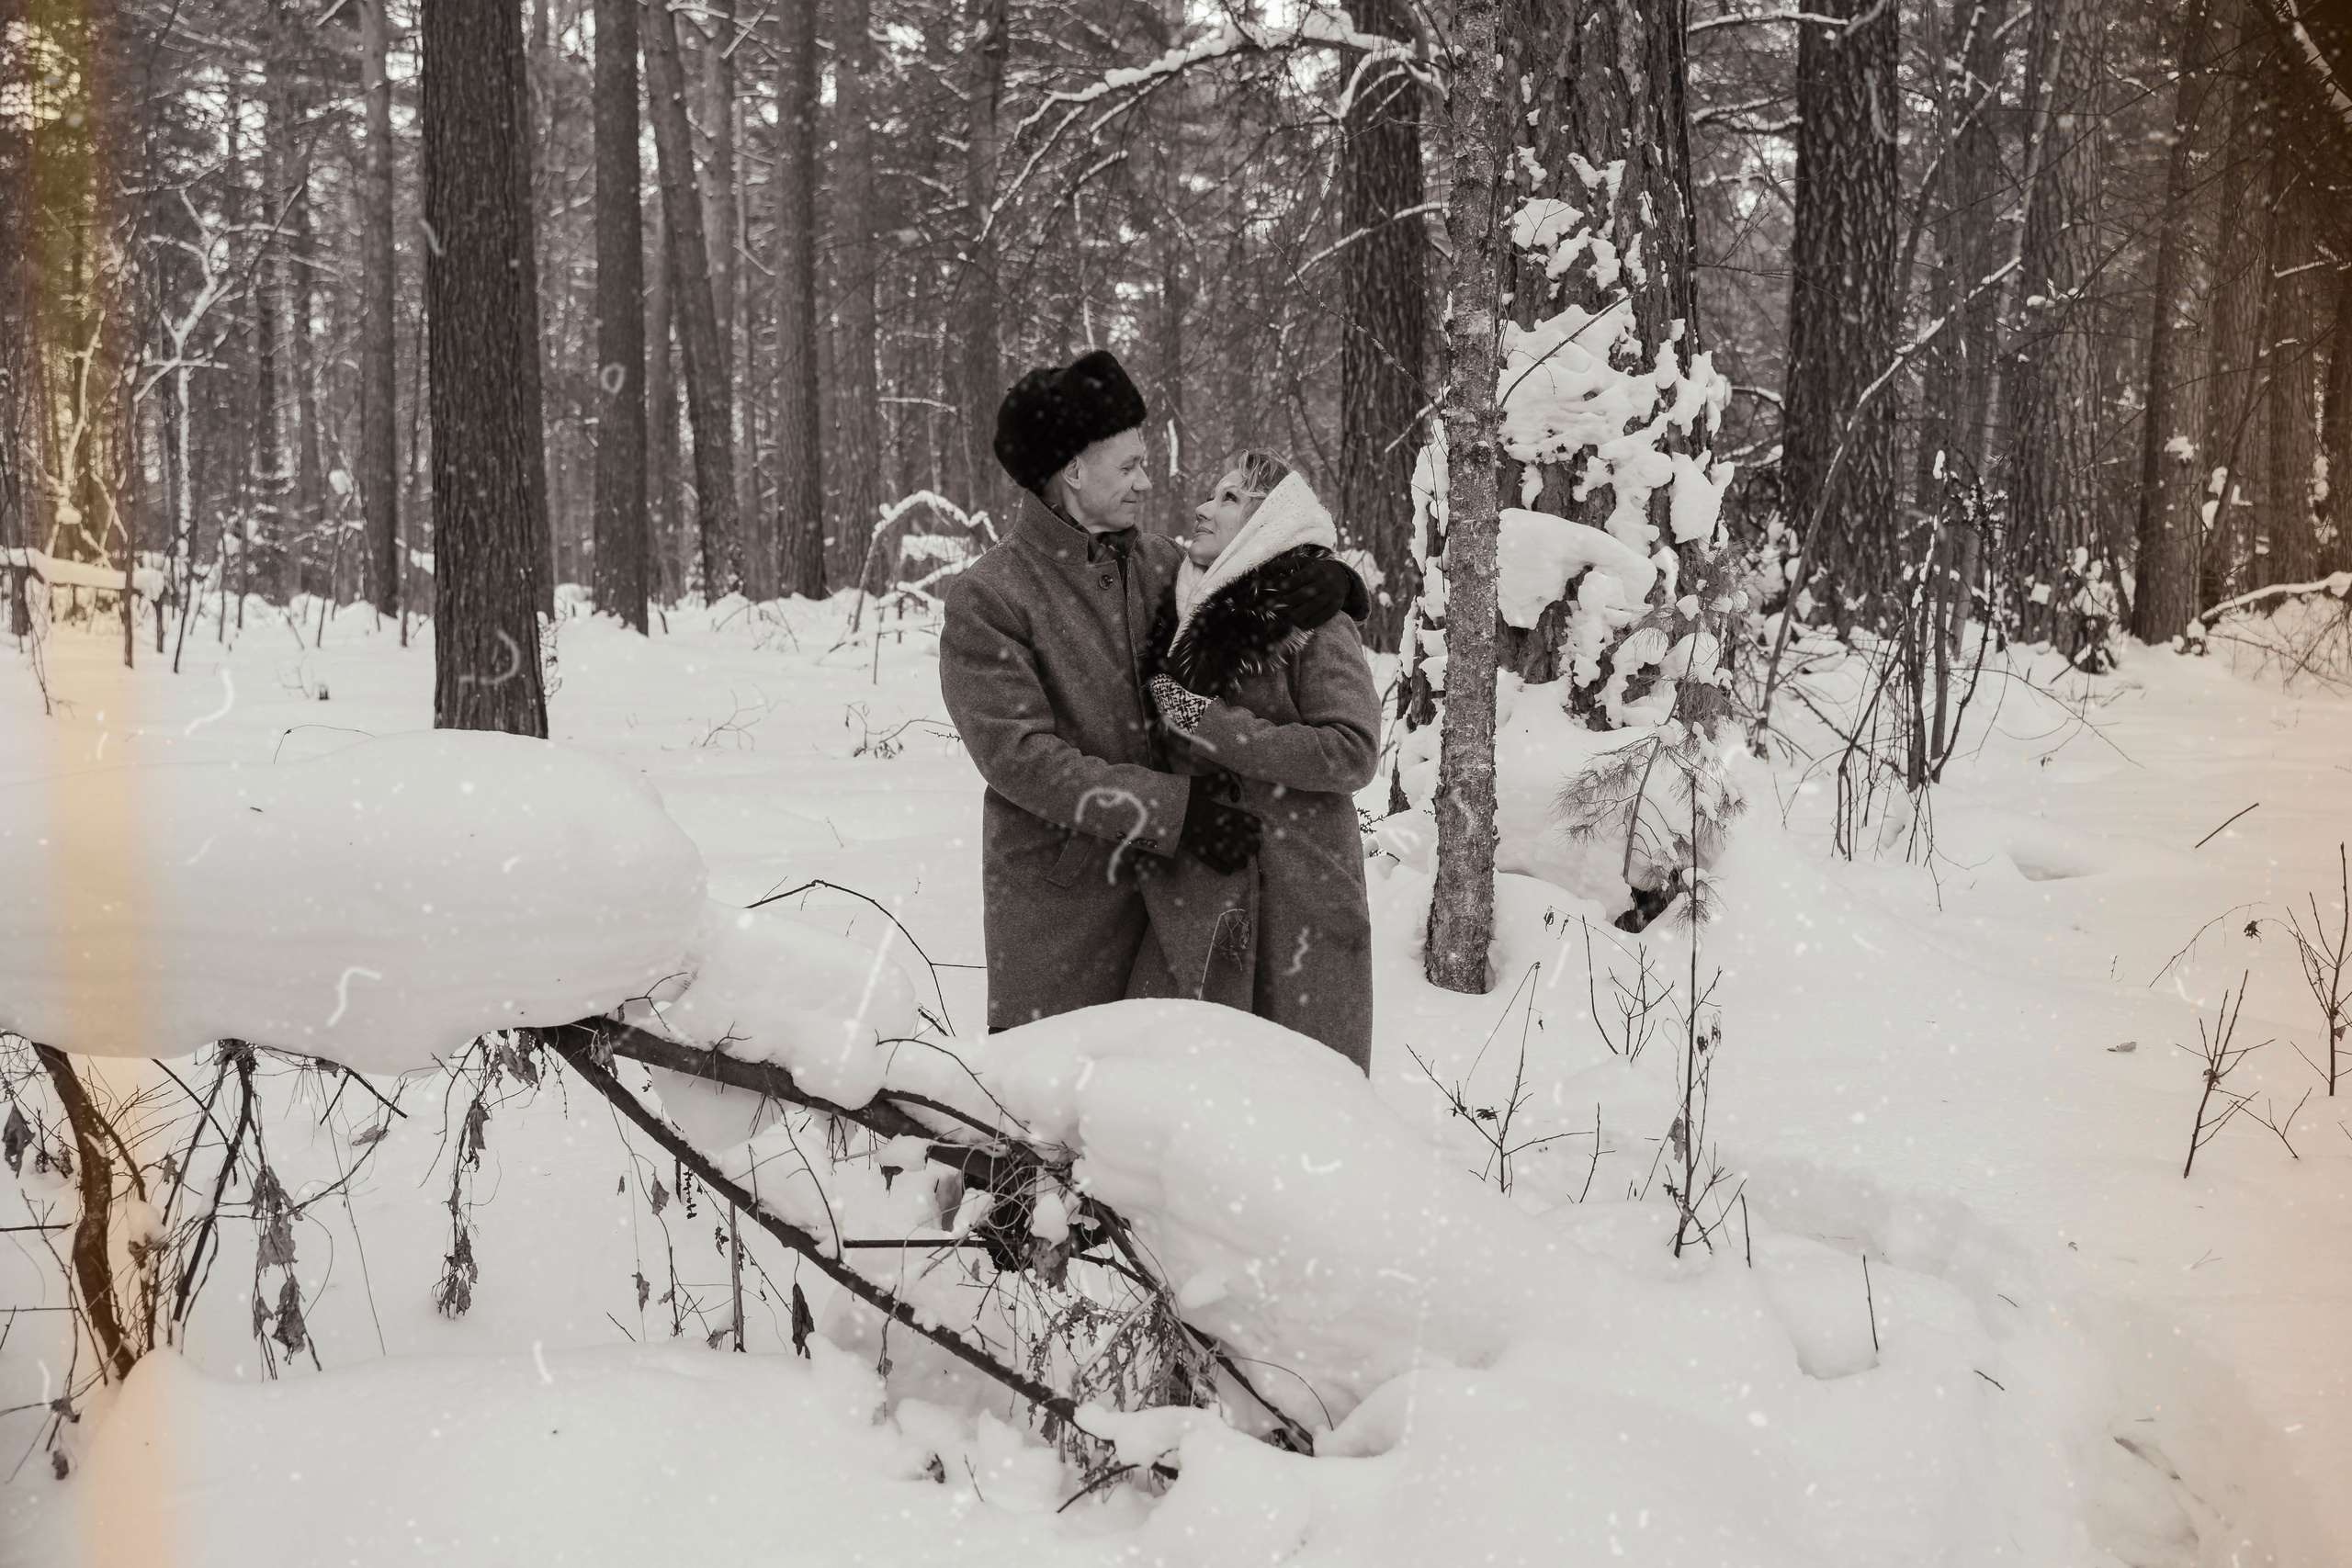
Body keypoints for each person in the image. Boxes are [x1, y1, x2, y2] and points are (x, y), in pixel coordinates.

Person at [938, 351, 1357, 1032]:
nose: (1146, 480)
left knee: (1163, 1106)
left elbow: (1267, 564)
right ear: (1072, 469)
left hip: (1179, 904)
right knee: (1053, 1112)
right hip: (1066, 902)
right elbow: (1021, 759)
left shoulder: (1166, 562)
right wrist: (1172, 810)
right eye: (1128, 464)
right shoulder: (991, 597)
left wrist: (1322, 587)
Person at [1133, 453, 1381, 1071]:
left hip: (1300, 889)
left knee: (1300, 1089)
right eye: (1212, 493)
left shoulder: (1312, 615)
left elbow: (1352, 751)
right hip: (1207, 883)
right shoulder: (1193, 602)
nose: (1203, 507)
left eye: (1230, 497)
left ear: (1272, 520)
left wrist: (1209, 723)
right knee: (1194, 1082)